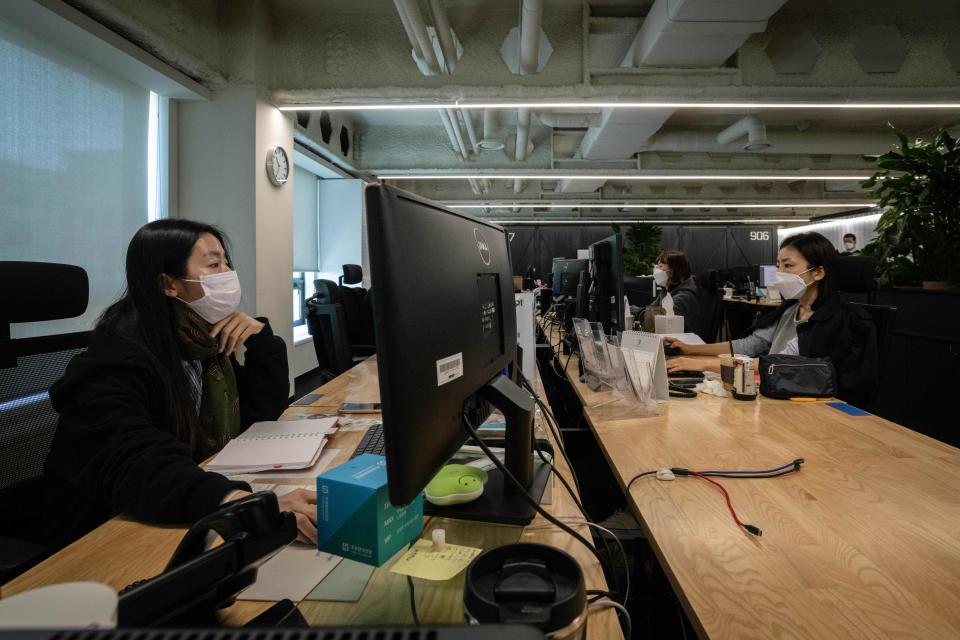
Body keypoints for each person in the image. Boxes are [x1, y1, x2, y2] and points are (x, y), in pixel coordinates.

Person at [42, 219, 317, 551]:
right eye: (214, 264)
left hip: (180, 496)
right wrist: (243, 503)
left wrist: (261, 341)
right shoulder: (120, 355)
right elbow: (137, 461)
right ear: (168, 284)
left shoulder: (202, 340)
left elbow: (258, 416)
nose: (228, 274)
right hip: (103, 528)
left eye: (226, 263)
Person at [664, 232, 878, 406]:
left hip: (810, 406)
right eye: (778, 265)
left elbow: (779, 363)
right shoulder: (789, 310)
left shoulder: (837, 320)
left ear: (818, 273)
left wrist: (699, 365)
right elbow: (749, 345)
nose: (779, 273)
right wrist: (689, 350)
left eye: (788, 266)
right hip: (777, 394)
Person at [642, 250, 700, 335]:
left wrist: (636, 311)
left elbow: (658, 323)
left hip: (681, 344)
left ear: (673, 270)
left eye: (660, 266)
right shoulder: (666, 291)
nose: (656, 270)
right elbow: (650, 310)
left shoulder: (684, 297)